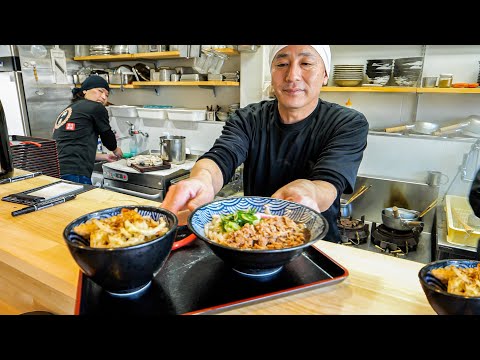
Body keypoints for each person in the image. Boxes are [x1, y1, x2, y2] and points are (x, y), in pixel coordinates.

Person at [161, 45, 369, 243]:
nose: (292, 76)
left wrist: (308, 191)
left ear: (325, 75)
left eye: (306, 63)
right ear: (272, 72)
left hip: (316, 245)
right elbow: (222, 156)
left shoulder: (347, 123)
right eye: (282, 64)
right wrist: (203, 180)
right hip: (254, 239)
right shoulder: (248, 118)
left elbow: (329, 183)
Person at [52, 75, 123, 185]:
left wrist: (103, 156)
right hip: (75, 172)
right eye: (100, 91)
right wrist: (116, 150)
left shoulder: (71, 108)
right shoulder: (96, 107)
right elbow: (107, 137)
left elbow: (72, 146)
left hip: (56, 170)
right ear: (85, 90)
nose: (104, 97)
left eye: (107, 95)